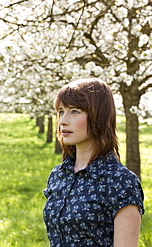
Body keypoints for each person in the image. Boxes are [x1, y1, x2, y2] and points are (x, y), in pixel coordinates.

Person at [43, 78, 144, 246]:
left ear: (99, 116)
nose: (63, 121)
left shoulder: (121, 181)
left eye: (74, 111)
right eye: (61, 111)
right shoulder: (58, 175)